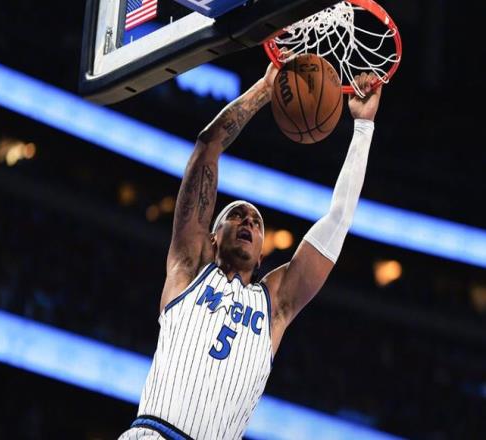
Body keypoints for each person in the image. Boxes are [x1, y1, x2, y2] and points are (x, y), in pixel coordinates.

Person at [118, 64, 382, 440]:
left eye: (256, 222)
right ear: (212, 238)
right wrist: (265, 88)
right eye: (235, 215)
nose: (247, 221)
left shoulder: (275, 304)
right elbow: (208, 146)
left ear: (261, 256)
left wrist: (363, 127)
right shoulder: (188, 269)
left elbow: (337, 220)